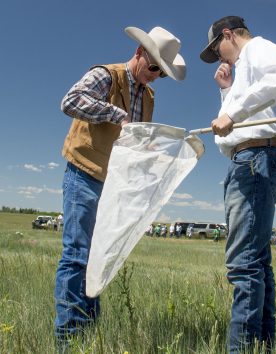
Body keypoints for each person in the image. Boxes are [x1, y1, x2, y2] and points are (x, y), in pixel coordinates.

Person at [54, 25, 186, 343]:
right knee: (77, 254)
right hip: (84, 173)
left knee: (100, 255)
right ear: (139, 53)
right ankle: (68, 339)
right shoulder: (106, 75)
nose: (155, 76)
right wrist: (115, 113)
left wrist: (155, 148)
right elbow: (70, 101)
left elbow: (132, 139)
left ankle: (88, 332)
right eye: (154, 67)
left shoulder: (148, 95)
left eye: (162, 73)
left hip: (114, 183)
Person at [200, 16, 276, 352]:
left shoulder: (258, 48)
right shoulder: (241, 68)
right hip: (251, 156)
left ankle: (242, 349)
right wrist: (227, 91)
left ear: (228, 35)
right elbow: (236, 120)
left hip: (256, 158)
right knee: (256, 261)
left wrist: (234, 109)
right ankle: (262, 346)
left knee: (244, 263)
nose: (219, 58)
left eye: (218, 50)